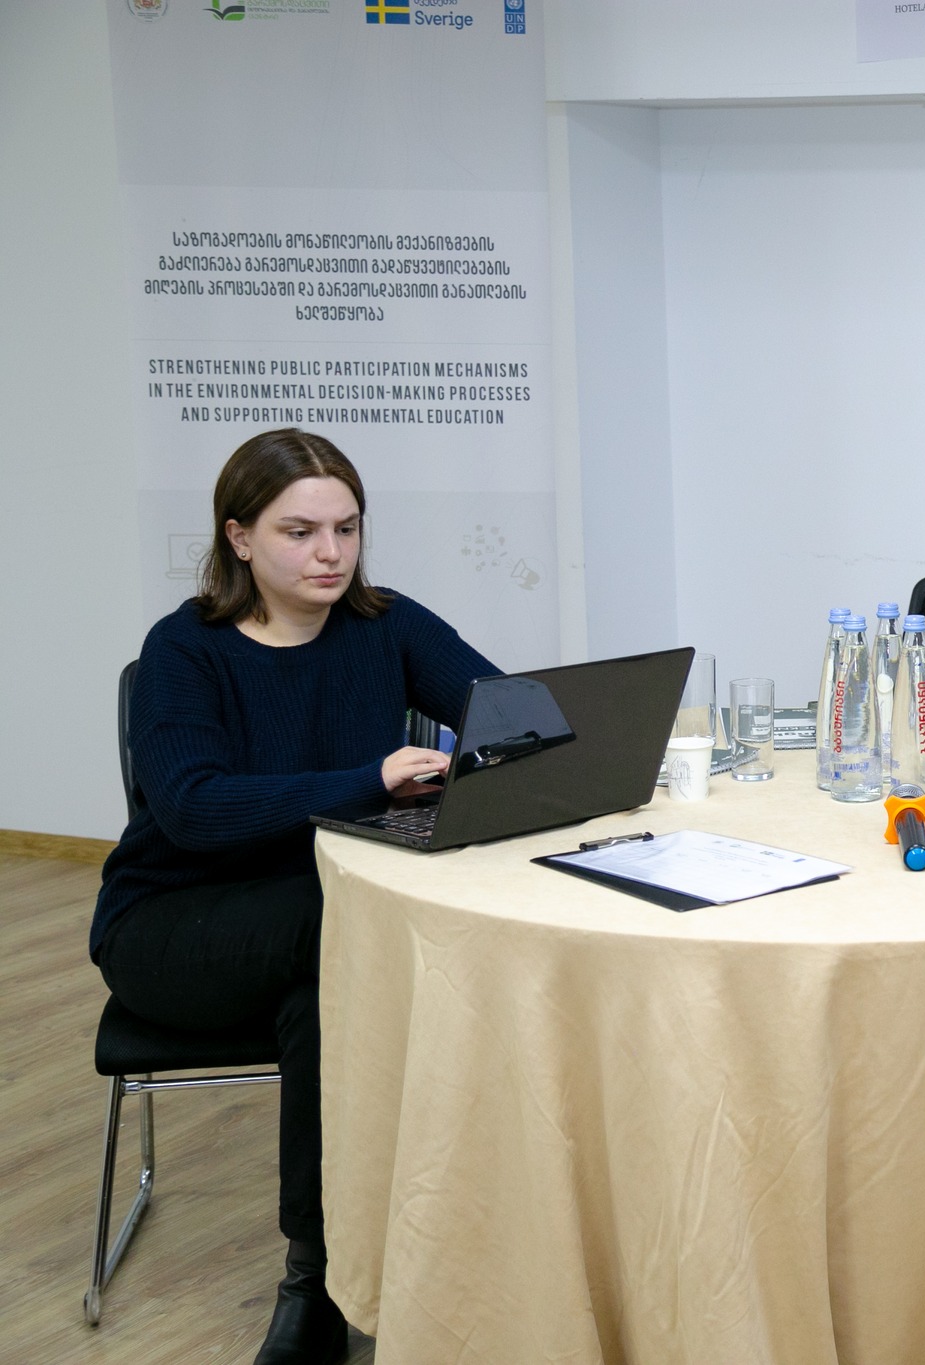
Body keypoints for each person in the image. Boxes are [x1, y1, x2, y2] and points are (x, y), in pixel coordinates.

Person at [92, 429, 498, 1365]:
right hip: (171, 926)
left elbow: (511, 713)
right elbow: (193, 809)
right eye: (300, 531)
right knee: (355, 925)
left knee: (325, 993)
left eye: (347, 529)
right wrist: (370, 778)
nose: (330, 553)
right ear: (239, 537)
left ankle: (319, 1278)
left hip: (316, 930)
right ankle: (381, 1247)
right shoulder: (183, 649)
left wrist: (498, 754)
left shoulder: (386, 624)